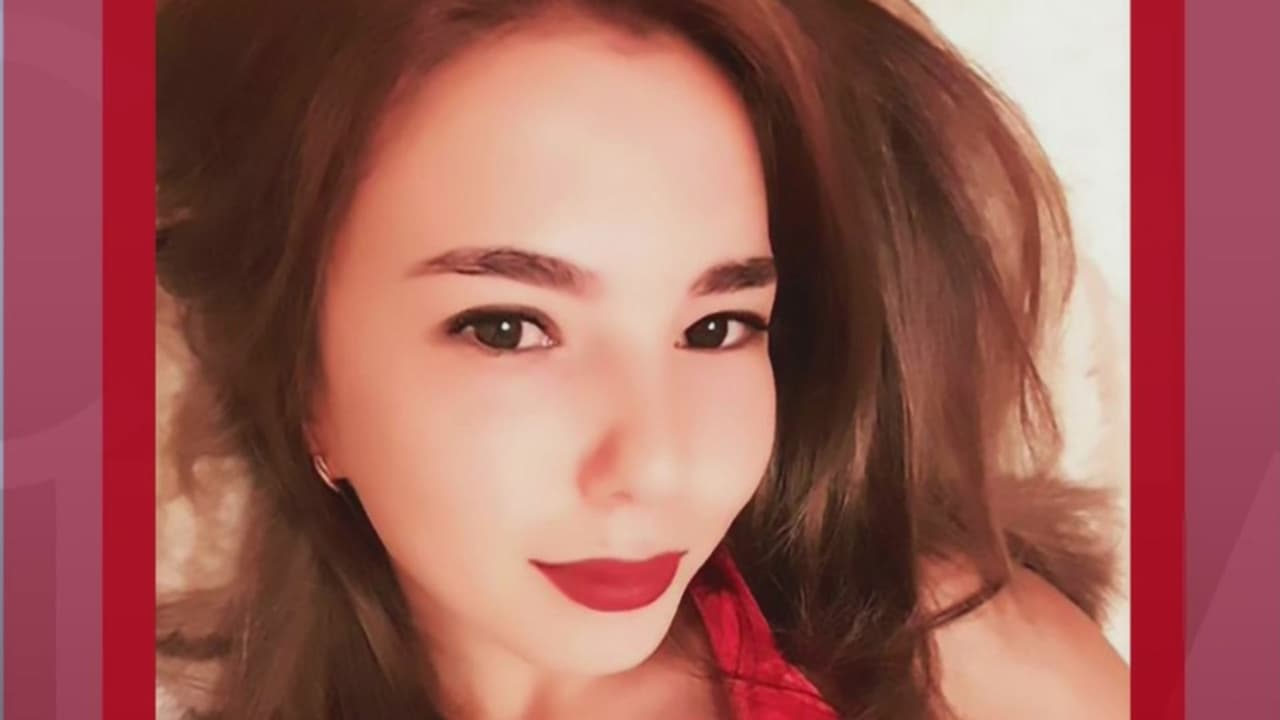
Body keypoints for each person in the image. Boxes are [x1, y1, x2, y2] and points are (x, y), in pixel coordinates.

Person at [154, 0, 1129, 717]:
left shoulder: (945, 660)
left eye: (717, 327)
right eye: (508, 327)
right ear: (306, 386)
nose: (658, 465)